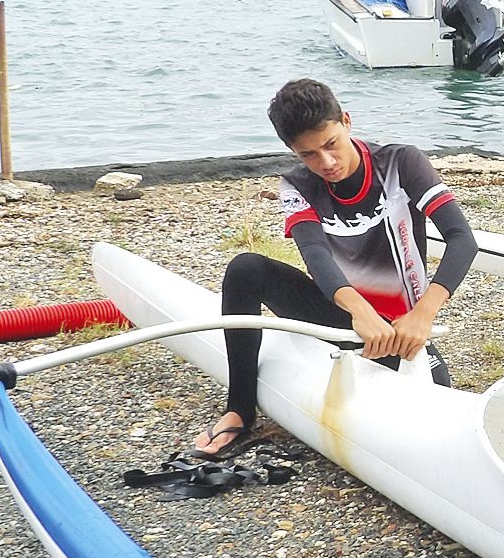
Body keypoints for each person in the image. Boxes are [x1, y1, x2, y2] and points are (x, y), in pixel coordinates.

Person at [191, 79, 477, 457]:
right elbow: (316, 256)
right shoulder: (296, 185)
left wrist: (424, 314)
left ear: (346, 121)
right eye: (308, 154)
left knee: (440, 406)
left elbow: (462, 238)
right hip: (342, 318)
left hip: (402, 328)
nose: (326, 163)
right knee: (246, 269)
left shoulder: (401, 163)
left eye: (331, 144)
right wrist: (360, 311)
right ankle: (239, 409)